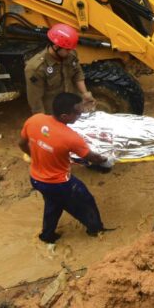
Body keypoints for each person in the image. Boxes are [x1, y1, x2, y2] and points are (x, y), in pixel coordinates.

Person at [18, 92, 111, 243]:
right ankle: (95, 230)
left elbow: (21, 143)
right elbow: (91, 157)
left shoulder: (35, 120)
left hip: (36, 178)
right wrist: (106, 160)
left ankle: (47, 236)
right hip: (59, 183)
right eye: (77, 113)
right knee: (86, 200)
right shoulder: (70, 137)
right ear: (64, 116)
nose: (80, 116)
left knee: (53, 204)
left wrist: (35, 156)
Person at [25, 23, 95, 114]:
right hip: (52, 112)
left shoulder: (70, 55)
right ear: (56, 47)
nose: (70, 51)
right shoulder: (36, 68)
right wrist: (43, 121)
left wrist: (85, 93)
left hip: (70, 106)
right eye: (67, 49)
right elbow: (35, 101)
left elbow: (77, 73)